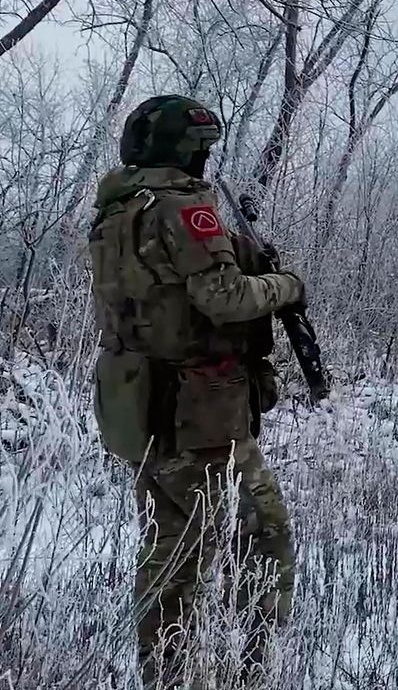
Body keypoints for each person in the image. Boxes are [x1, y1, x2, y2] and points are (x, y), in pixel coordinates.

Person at [87, 95, 306, 689]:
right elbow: (224, 298)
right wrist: (285, 286)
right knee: (254, 539)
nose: (205, 160)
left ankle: (174, 675)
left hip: (141, 406)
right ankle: (243, 674)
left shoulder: (115, 212)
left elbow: (156, 303)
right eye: (201, 149)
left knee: (179, 546)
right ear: (184, 150)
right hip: (200, 414)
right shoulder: (182, 208)